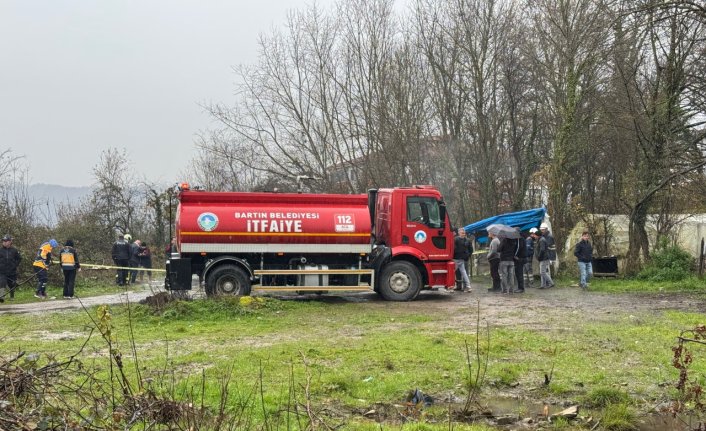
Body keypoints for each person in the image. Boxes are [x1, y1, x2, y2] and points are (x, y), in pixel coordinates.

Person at [0, 234, 21, 302]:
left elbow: (19, 258)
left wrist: (15, 265)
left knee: (12, 284)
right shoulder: (0, 250)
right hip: (2, 271)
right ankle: (2, 297)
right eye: (3, 241)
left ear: (9, 242)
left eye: (6, 241)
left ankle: (12, 297)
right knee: (2, 282)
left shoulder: (14, 250)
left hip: (12, 271)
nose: (4, 242)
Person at [453, 228, 473, 292]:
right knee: (462, 273)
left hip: (461, 259)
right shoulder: (456, 239)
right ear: (459, 233)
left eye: (464, 233)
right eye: (462, 233)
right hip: (458, 259)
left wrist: (467, 256)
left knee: (463, 273)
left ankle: (467, 287)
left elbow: (471, 250)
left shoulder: (467, 240)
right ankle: (467, 286)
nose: (463, 234)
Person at [513, 228, 527, 293]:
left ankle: (521, 288)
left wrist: (515, 255)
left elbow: (519, 247)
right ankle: (520, 287)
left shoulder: (519, 239)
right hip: (521, 258)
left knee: (519, 273)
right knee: (518, 273)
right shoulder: (521, 238)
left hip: (520, 259)